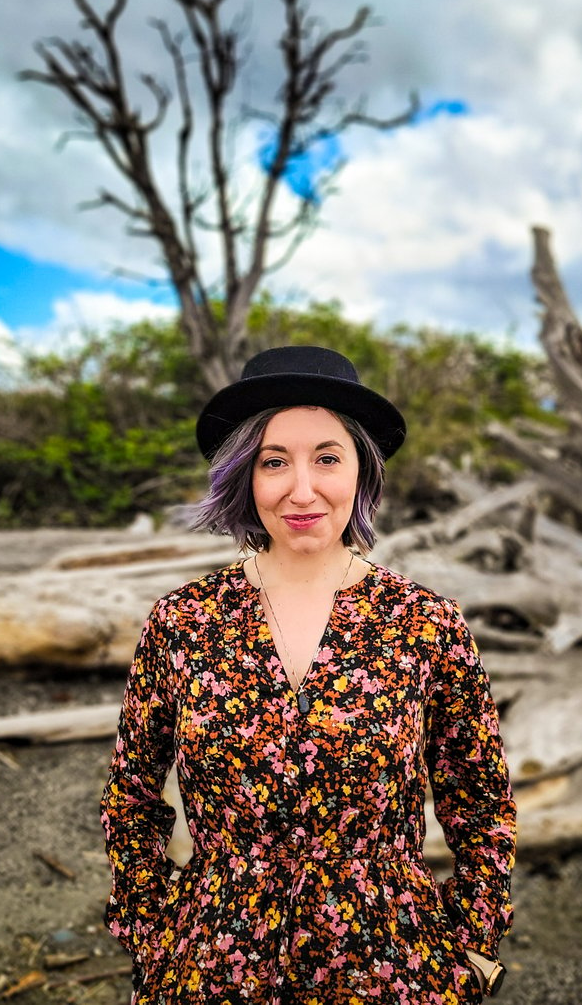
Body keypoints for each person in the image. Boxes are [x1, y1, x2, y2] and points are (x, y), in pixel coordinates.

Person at [101, 346, 516, 1004]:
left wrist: (473, 940)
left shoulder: (426, 623)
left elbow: (479, 800)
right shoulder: (182, 621)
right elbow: (130, 791)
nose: (301, 489)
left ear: (361, 471)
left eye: (327, 457)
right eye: (274, 462)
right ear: (246, 476)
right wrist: (150, 926)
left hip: (387, 967)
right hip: (212, 966)